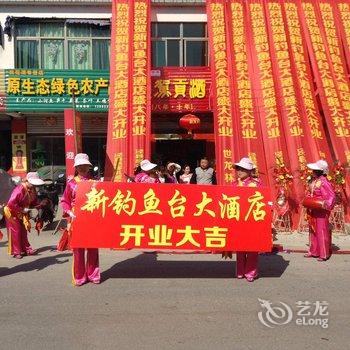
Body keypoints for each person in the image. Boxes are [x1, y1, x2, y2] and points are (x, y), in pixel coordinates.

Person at [61, 153, 100, 286]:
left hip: (91, 219)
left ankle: (93, 274)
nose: (83, 168)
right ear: (76, 168)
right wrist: (69, 211)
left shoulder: (95, 183)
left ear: (89, 167)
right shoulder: (71, 184)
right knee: (78, 249)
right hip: (76, 219)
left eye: (85, 166)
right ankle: (79, 276)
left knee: (93, 247)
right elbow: (65, 201)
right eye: (80, 166)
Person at [4, 172, 44, 259]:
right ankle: (16, 251)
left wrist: (40, 205)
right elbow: (11, 203)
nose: (34, 186)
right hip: (12, 212)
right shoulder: (20, 189)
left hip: (22, 212)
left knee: (23, 230)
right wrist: (21, 209)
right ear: (27, 181)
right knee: (16, 231)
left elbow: (33, 202)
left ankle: (26, 249)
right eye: (33, 183)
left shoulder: (32, 189)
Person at [234, 157, 261, 282]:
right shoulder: (234, 184)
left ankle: (251, 272)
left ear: (249, 171)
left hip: (252, 220)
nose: (239, 171)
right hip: (238, 219)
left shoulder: (257, 185)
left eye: (242, 169)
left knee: (251, 247)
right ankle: (240, 270)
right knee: (240, 246)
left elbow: (263, 202)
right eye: (238, 169)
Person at [303, 160, 335, 261]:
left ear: (318, 171)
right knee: (313, 230)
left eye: (314, 170)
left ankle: (323, 254)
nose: (312, 171)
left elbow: (331, 196)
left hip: (321, 210)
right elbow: (311, 193)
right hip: (313, 209)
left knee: (321, 230)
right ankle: (314, 251)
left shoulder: (324, 182)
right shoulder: (315, 180)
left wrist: (325, 205)